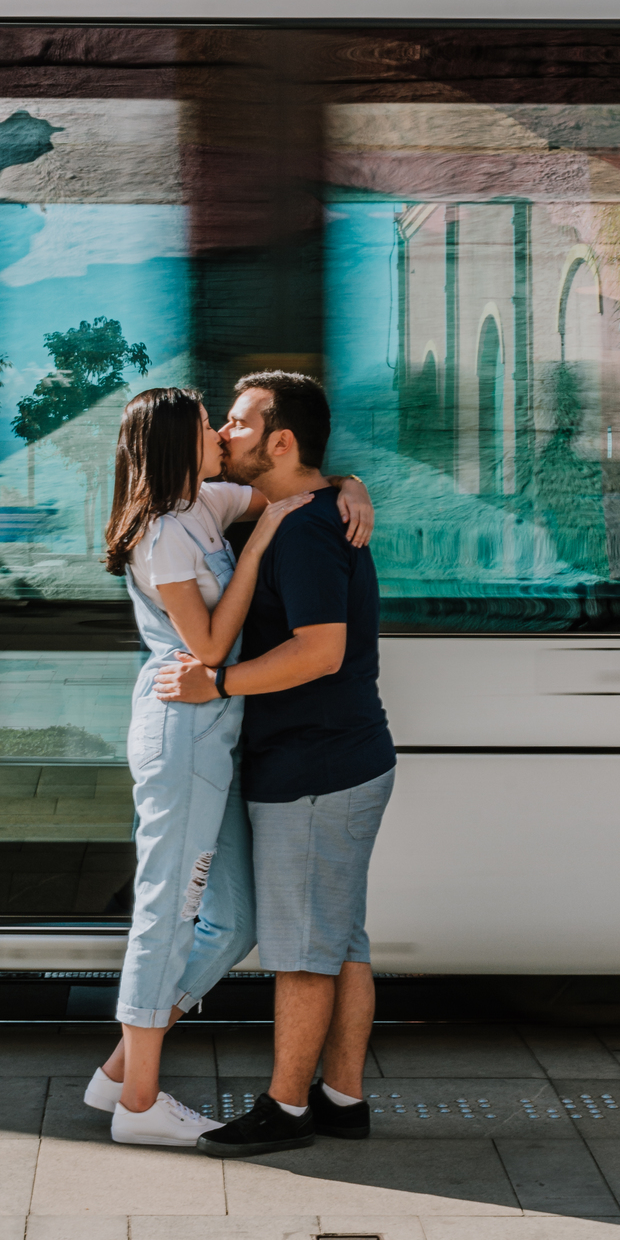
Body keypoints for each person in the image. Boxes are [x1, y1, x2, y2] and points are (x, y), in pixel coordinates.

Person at [84, 386, 374, 1147]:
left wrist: (348, 486)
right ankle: (139, 1104)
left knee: (233, 919)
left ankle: (117, 1069)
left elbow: (297, 480)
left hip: (220, 733)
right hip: (184, 727)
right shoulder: (164, 534)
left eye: (232, 420)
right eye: (210, 424)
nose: (222, 430)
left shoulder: (206, 502)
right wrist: (269, 531)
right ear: (182, 442)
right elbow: (208, 649)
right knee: (167, 911)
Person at [153, 371, 395, 1159]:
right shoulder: (307, 513)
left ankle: (287, 1109)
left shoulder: (306, 530)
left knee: (300, 951)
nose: (223, 434)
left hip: (316, 770)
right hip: (337, 759)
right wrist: (349, 483)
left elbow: (319, 651)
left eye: (236, 421)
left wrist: (215, 680)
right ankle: (342, 1098)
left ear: (280, 442)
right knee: (339, 939)